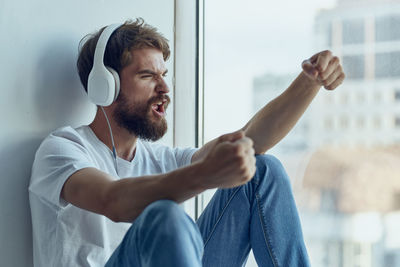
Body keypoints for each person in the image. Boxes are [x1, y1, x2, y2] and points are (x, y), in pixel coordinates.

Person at [29, 18, 345, 267]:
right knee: (164, 215)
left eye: (164, 74)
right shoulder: (63, 149)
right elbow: (113, 200)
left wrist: (310, 81)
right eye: (147, 76)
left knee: (262, 169)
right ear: (105, 86)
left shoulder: (162, 160)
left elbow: (248, 141)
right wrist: (206, 174)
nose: (165, 87)